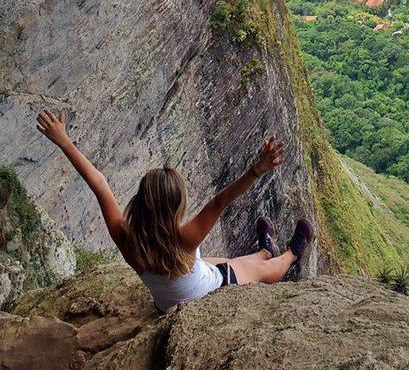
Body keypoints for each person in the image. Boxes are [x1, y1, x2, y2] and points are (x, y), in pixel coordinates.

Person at [36, 108, 313, 312]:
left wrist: (64, 141)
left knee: (226, 261)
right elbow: (220, 201)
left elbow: (98, 183)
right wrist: (257, 169)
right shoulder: (185, 238)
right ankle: (290, 256)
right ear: (175, 207)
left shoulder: (127, 238)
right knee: (258, 271)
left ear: (141, 201)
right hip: (206, 295)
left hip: (168, 304)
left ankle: (265, 250)